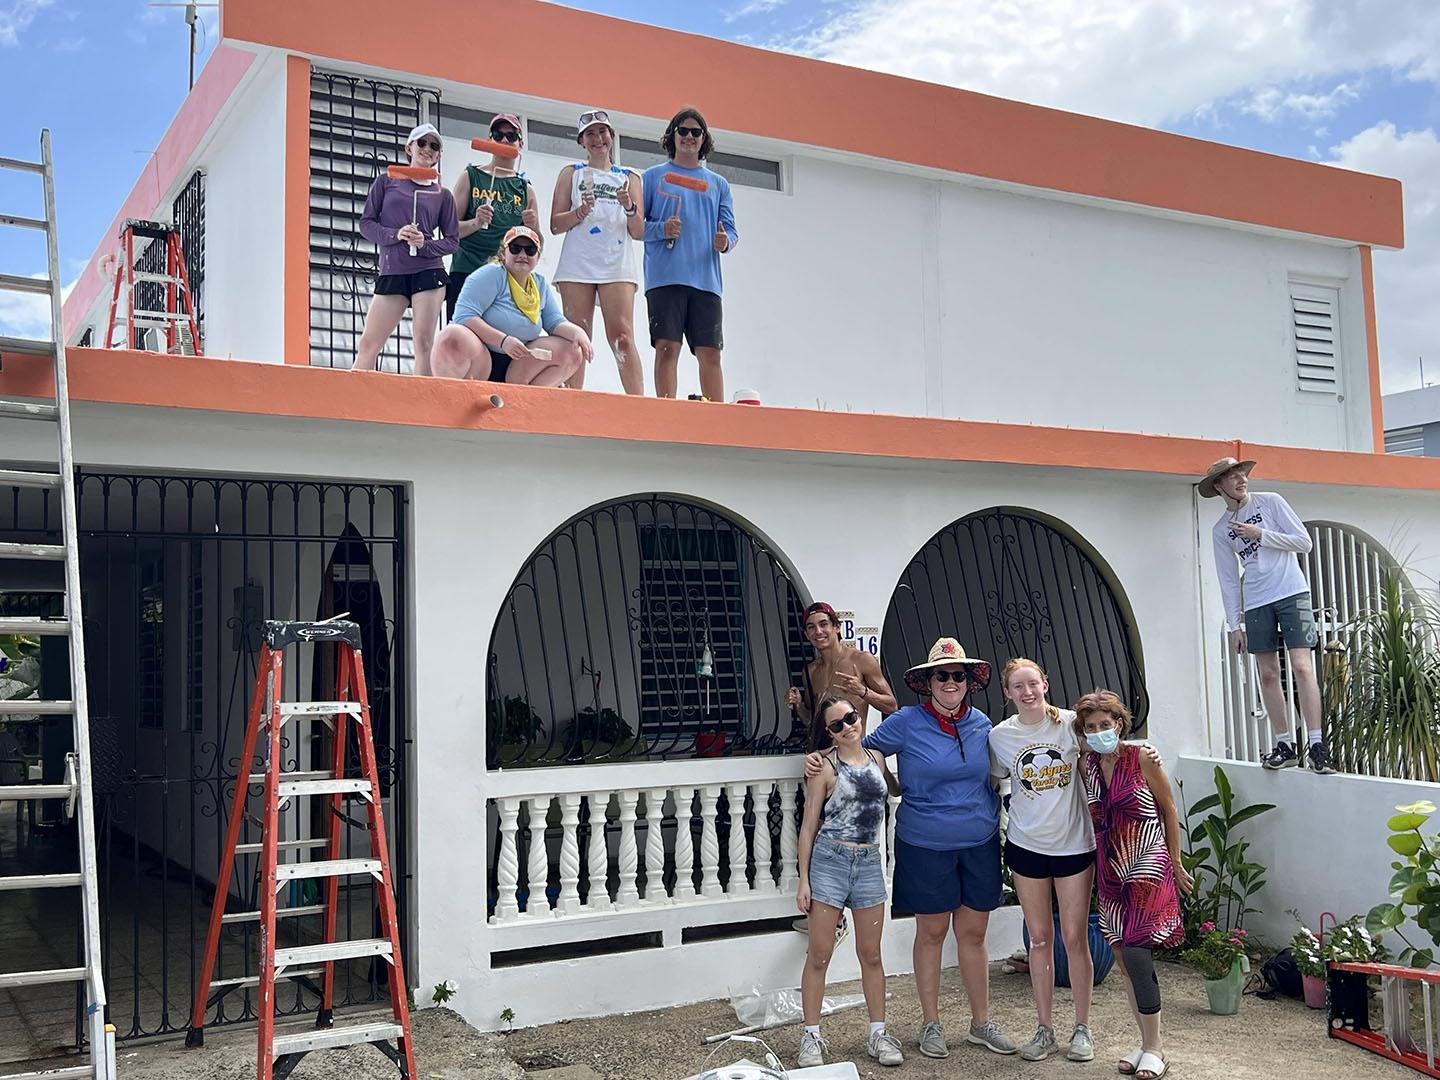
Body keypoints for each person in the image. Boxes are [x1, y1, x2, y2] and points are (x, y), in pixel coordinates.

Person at [805, 638, 1017, 1060]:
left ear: (969, 682)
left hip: (977, 842)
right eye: (943, 675)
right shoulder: (906, 721)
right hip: (925, 844)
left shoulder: (982, 725)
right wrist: (820, 758)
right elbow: (859, 747)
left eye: (958, 675)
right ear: (929, 682)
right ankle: (931, 1024)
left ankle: (980, 1023)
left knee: (973, 935)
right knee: (933, 932)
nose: (950, 682)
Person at [1075, 690, 1192, 1080]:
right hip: (1110, 875)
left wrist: (1175, 863)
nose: (1098, 732)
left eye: (1104, 725)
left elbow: (1168, 807)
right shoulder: (1085, 765)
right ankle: (1145, 1043)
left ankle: (1157, 1048)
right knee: (1125, 962)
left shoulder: (1142, 757)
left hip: (1146, 867)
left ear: (1119, 725)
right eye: (1090, 727)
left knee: (1140, 959)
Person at [989, 658, 1097, 1064]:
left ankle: (1082, 1028)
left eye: (1032, 684)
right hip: (1025, 849)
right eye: (1018, 686)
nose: (1027, 692)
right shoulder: (1000, 736)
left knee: (1074, 938)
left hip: (1073, 847)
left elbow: (1108, 744)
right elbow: (993, 779)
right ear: (1008, 693)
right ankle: (1045, 1029)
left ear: (1045, 684)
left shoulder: (1070, 724)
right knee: (1039, 940)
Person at [1200, 457, 1335, 774]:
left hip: (1291, 591)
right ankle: (1285, 744)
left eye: (1241, 473)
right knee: (1268, 674)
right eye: (1231, 476)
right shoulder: (1221, 530)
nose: (1240, 479)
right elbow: (1229, 580)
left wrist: (1260, 534)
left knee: (1302, 666)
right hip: (1257, 600)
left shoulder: (1271, 502)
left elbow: (1304, 542)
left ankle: (1316, 744)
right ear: (1219, 486)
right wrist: (1235, 625)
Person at [795, 696, 904, 1069]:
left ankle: (878, 1032)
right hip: (831, 860)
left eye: (851, 718)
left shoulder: (876, 758)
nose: (847, 727)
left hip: (869, 860)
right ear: (828, 733)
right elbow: (809, 825)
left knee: (871, 954)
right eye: (836, 725)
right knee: (820, 953)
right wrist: (803, 880)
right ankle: (811, 1036)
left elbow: (894, 791)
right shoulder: (824, 767)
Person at [640, 107, 737, 401]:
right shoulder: (652, 177)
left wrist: (724, 242)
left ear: (704, 139)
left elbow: (731, 232)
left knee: (710, 353)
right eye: (683, 130)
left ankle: (716, 415)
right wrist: (662, 230)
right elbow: (635, 227)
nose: (689, 137)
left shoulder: (719, 184)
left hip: (706, 281)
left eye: (696, 132)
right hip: (664, 278)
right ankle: (667, 410)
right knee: (667, 348)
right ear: (673, 135)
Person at [549, 109, 646, 394]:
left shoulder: (630, 177)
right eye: (590, 134)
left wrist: (629, 206)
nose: (597, 138)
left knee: (623, 338)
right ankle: (571, 402)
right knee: (577, 336)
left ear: (612, 137)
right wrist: (580, 211)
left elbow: (638, 230)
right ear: (581, 142)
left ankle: (638, 405)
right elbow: (555, 224)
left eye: (602, 132)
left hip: (616, 263)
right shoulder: (572, 172)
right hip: (577, 263)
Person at [354, 123, 458, 375]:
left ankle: (423, 408)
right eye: (422, 143)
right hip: (393, 272)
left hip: (428, 273)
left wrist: (424, 245)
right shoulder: (386, 182)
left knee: (423, 343)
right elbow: (366, 224)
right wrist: (395, 234)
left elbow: (452, 241)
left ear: (439, 156)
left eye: (434, 146)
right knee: (369, 342)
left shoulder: (442, 194)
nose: (427, 149)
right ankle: (351, 398)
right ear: (408, 148)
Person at [431, 226, 592, 385]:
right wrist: (503, 341)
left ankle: (529, 403)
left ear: (537, 256)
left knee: (572, 350)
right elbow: (463, 316)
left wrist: (578, 333)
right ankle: (452, 400)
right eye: (515, 248)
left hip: (520, 367)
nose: (522, 254)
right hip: (481, 361)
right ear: (503, 253)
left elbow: (555, 322)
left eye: (530, 250)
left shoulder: (540, 284)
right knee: (451, 336)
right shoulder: (491, 275)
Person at [447, 113, 541, 322]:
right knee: (457, 341)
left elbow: (537, 245)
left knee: (497, 348)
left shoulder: (525, 188)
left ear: (520, 143)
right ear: (490, 140)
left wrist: (534, 227)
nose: (505, 141)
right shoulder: (470, 175)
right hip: (466, 269)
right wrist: (476, 223)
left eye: (511, 136)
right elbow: (448, 232)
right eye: (498, 135)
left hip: (503, 278)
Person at [784, 602, 897, 752]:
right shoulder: (810, 671)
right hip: (823, 758)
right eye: (811, 627)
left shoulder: (861, 660)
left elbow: (892, 706)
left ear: (836, 627)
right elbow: (812, 722)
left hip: (854, 756)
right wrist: (799, 705)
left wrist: (863, 691)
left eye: (823, 624)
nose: (818, 631)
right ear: (806, 635)